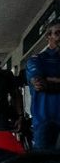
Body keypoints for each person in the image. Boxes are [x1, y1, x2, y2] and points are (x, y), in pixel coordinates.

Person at [26, 21, 60, 150]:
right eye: (58, 33)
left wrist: (50, 80)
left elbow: (46, 83)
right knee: (45, 161)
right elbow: (40, 84)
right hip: (44, 120)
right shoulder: (36, 60)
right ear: (48, 36)